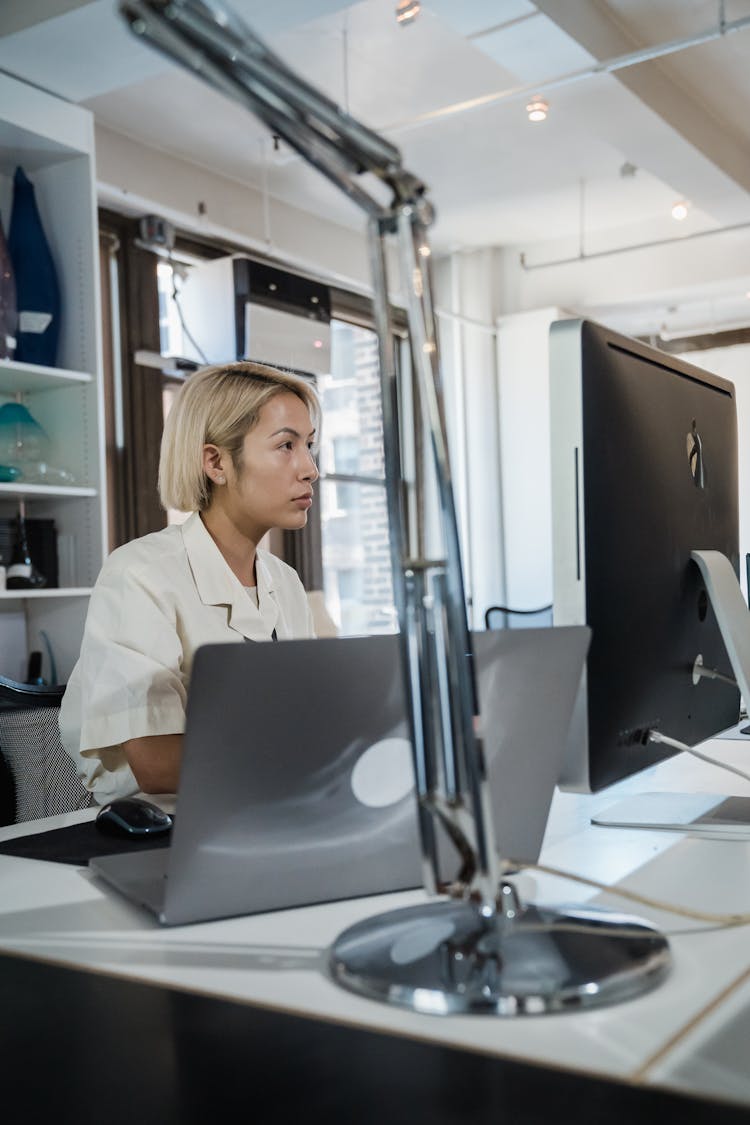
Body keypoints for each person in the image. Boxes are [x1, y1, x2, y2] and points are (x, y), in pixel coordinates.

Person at [60, 360, 320, 806]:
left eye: (310, 446)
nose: (310, 469)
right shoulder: (139, 574)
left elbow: (312, 719)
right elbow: (156, 761)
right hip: (159, 832)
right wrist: (313, 749)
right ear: (215, 462)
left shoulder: (286, 582)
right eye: (286, 446)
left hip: (265, 806)